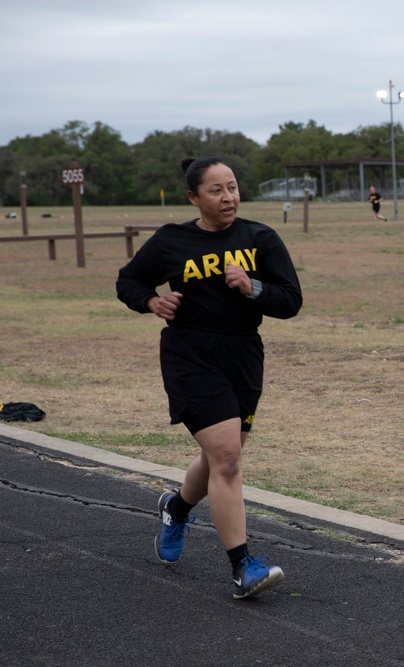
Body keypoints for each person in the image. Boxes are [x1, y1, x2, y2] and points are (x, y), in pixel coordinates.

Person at [116, 156, 303, 598]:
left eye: (233, 187)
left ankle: (176, 507)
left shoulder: (260, 238)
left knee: (224, 454)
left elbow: (291, 300)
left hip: (242, 354)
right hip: (190, 353)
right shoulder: (171, 241)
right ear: (194, 198)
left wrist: (251, 287)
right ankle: (243, 568)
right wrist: (150, 302)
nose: (228, 197)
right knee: (228, 458)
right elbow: (129, 280)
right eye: (216, 190)